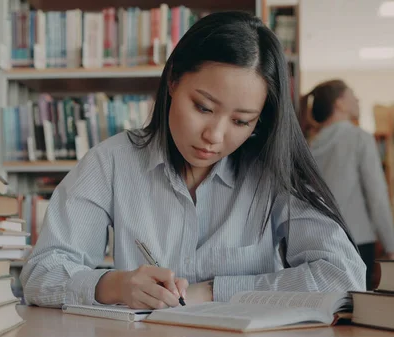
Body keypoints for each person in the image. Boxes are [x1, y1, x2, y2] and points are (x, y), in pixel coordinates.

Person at [20, 11, 366, 310]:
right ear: (173, 82)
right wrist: (114, 285)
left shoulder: (273, 171)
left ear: (261, 121)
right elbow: (40, 274)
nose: (214, 135)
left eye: (241, 121)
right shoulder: (111, 162)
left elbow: (345, 275)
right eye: (203, 107)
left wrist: (215, 291)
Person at [300, 80, 394, 290]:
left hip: (319, 244)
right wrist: (391, 247)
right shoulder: (359, 138)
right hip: (357, 243)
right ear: (340, 104)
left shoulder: (309, 146)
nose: (358, 99)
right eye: (352, 95)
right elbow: (377, 196)